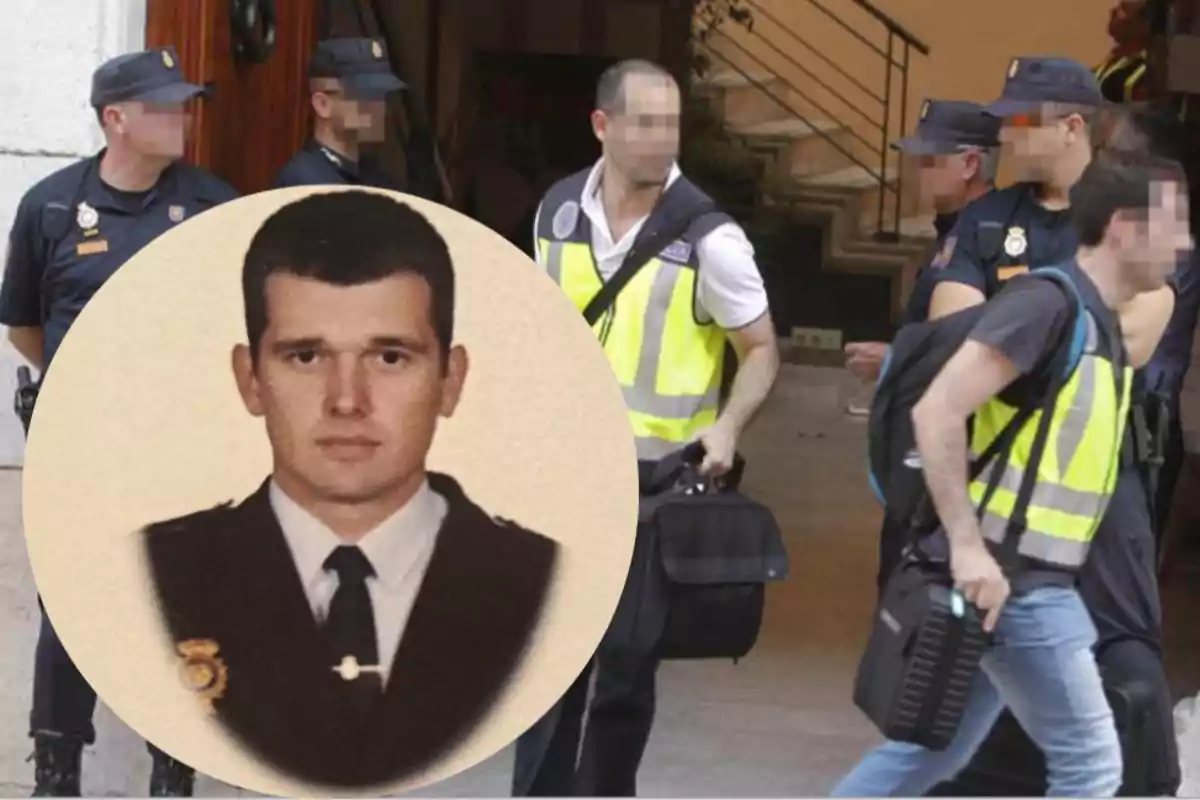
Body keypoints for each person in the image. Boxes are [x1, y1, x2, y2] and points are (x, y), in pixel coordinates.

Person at [139, 190, 559, 789]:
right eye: (306, 356)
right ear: (250, 379)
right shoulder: (155, 571)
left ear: (450, 379)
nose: (346, 400)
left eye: (390, 357)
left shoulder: (545, 581)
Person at [831, 147, 1192, 798]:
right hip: (1015, 583)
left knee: (926, 756)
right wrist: (968, 549)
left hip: (1019, 581)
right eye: (1175, 224)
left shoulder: (1101, 326)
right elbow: (938, 410)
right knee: (1091, 764)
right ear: (1124, 227)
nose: (1186, 242)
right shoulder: (1048, 306)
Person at [511, 59, 779, 797]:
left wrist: (727, 428)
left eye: (672, 124)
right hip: (566, 480)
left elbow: (760, 349)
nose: (663, 140)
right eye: (646, 124)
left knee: (625, 669)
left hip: (656, 489)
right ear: (604, 126)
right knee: (545, 664)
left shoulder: (709, 239)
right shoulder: (556, 215)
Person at [925, 65, 1185, 796]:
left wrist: (1018, 321)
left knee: (1126, 669)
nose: (1006, 132)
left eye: (1022, 120)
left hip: (1103, 494)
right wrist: (1049, 323)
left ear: (1072, 126)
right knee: (966, 670)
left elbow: (1136, 332)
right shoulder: (988, 216)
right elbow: (949, 331)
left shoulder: (1140, 206)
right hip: (1002, 484)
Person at [0, 46, 239, 797]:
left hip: (181, 446)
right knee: (73, 608)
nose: (183, 117)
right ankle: (57, 769)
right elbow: (26, 326)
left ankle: (175, 769)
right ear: (116, 120)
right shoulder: (47, 206)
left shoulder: (210, 204)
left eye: (184, 102)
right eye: (165, 105)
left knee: (185, 605)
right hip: (84, 448)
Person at [840, 99, 1001, 591]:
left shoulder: (989, 236)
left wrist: (895, 359)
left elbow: (977, 347)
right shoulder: (952, 233)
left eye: (931, 162)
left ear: (970, 163)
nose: (917, 175)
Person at [271, 38, 405, 190]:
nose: (376, 104)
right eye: (363, 93)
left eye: (380, 94)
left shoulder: (377, 178)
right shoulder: (302, 181)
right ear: (322, 104)